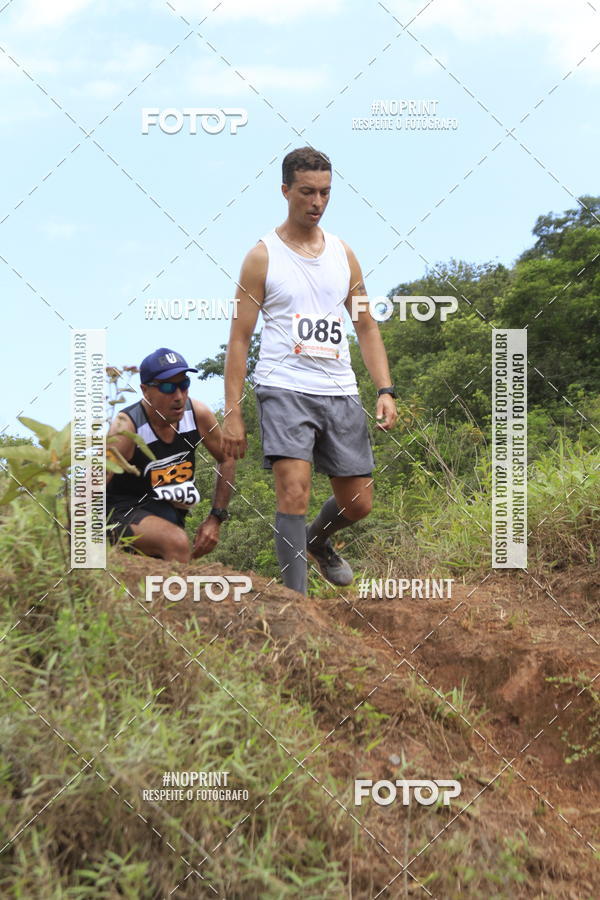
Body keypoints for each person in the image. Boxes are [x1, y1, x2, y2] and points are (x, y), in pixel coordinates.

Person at [222, 147, 397, 595]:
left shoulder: (343, 254)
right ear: (286, 191)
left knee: (358, 503)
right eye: (307, 192)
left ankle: (318, 541)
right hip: (283, 387)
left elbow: (365, 324)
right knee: (293, 491)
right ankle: (296, 608)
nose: (316, 202)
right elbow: (240, 337)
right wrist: (233, 410)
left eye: (325, 193)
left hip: (339, 389)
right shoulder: (262, 257)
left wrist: (385, 388)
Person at [106, 347, 235, 562]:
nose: (178, 396)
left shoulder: (197, 415)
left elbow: (227, 458)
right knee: (176, 542)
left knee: (172, 541)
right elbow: (91, 485)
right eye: (167, 387)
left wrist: (215, 518)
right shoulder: (126, 428)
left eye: (184, 385)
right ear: (145, 390)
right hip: (119, 510)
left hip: (163, 512)